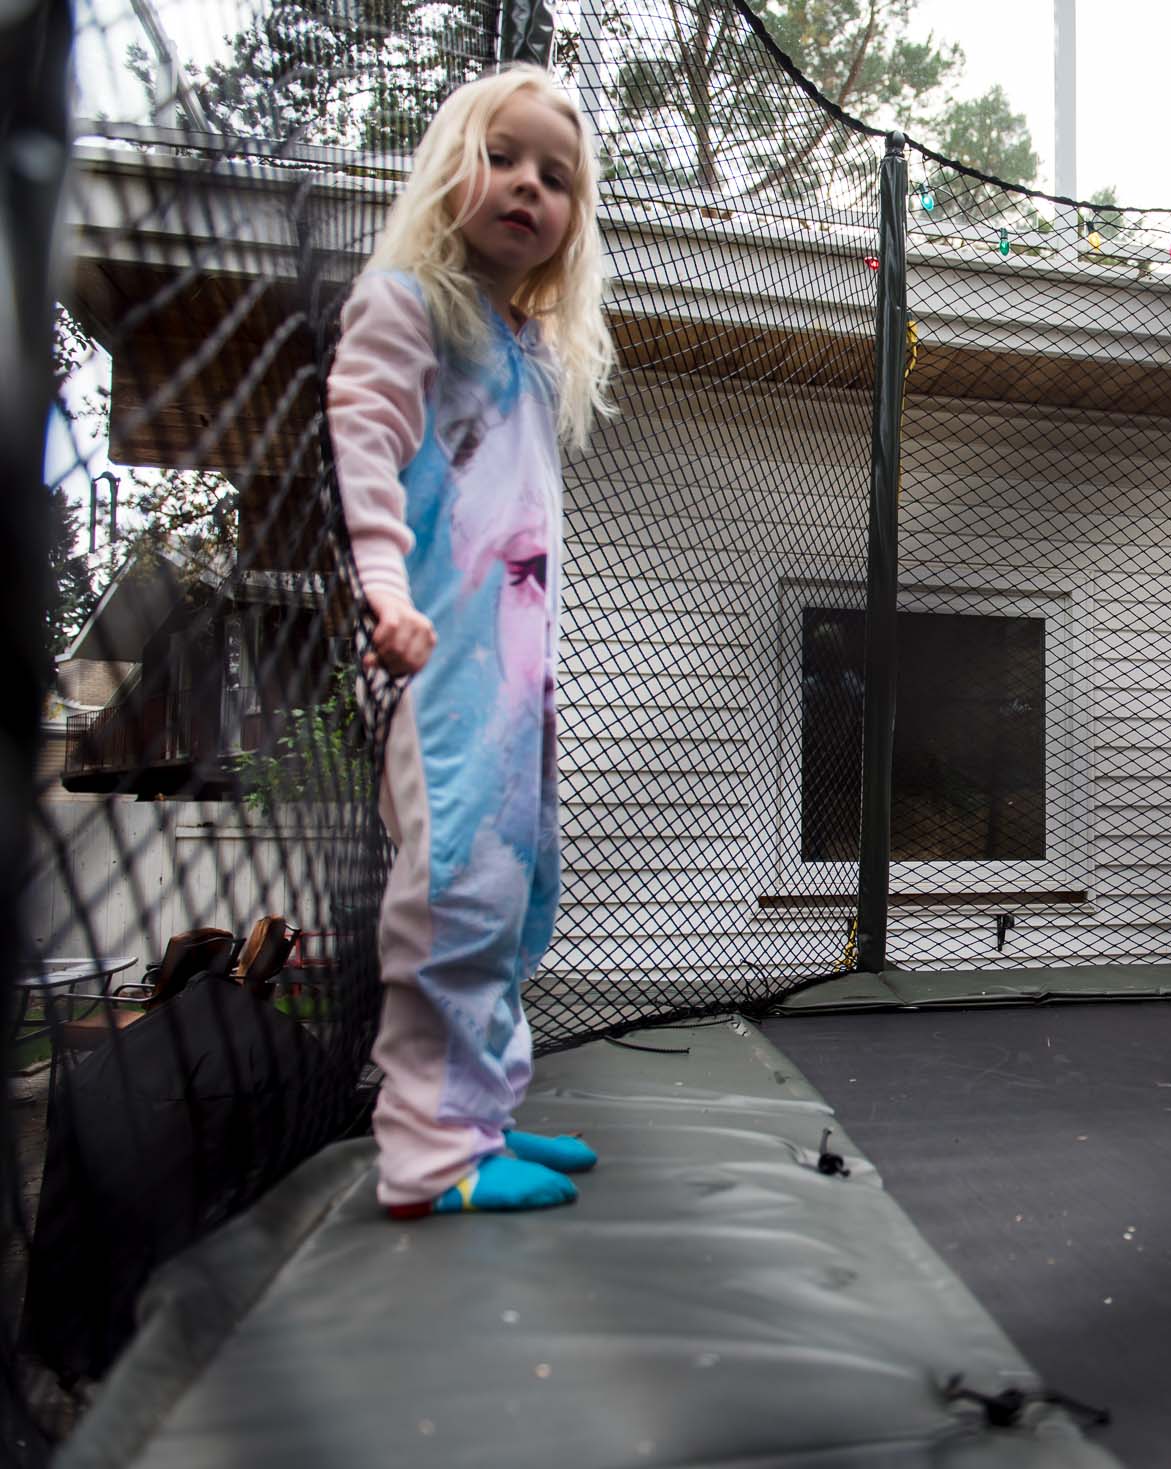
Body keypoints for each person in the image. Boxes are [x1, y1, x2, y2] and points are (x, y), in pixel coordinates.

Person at [327, 64, 616, 1218]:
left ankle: (477, 1112)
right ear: (452, 165)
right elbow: (366, 448)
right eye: (502, 157)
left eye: (555, 175)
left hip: (513, 680)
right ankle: (426, 1154)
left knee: (508, 888)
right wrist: (385, 594)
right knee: (451, 886)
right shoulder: (408, 304)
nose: (526, 186)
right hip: (439, 657)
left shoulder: (525, 345)